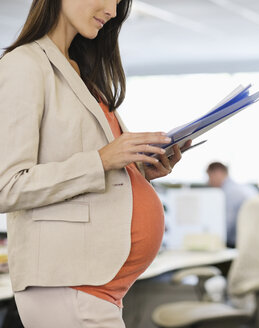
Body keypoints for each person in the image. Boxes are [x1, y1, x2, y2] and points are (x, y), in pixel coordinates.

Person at [0, 0, 191, 327]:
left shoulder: (82, 72)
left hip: (95, 287)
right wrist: (103, 160)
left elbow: (89, 168)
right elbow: (8, 186)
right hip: (68, 283)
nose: (114, 11)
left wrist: (139, 173)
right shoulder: (24, 64)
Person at [206, 162, 257, 248]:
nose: (208, 182)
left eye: (209, 176)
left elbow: (226, 227)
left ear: (218, 173)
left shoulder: (228, 193)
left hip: (240, 245)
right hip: (254, 243)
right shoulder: (248, 188)